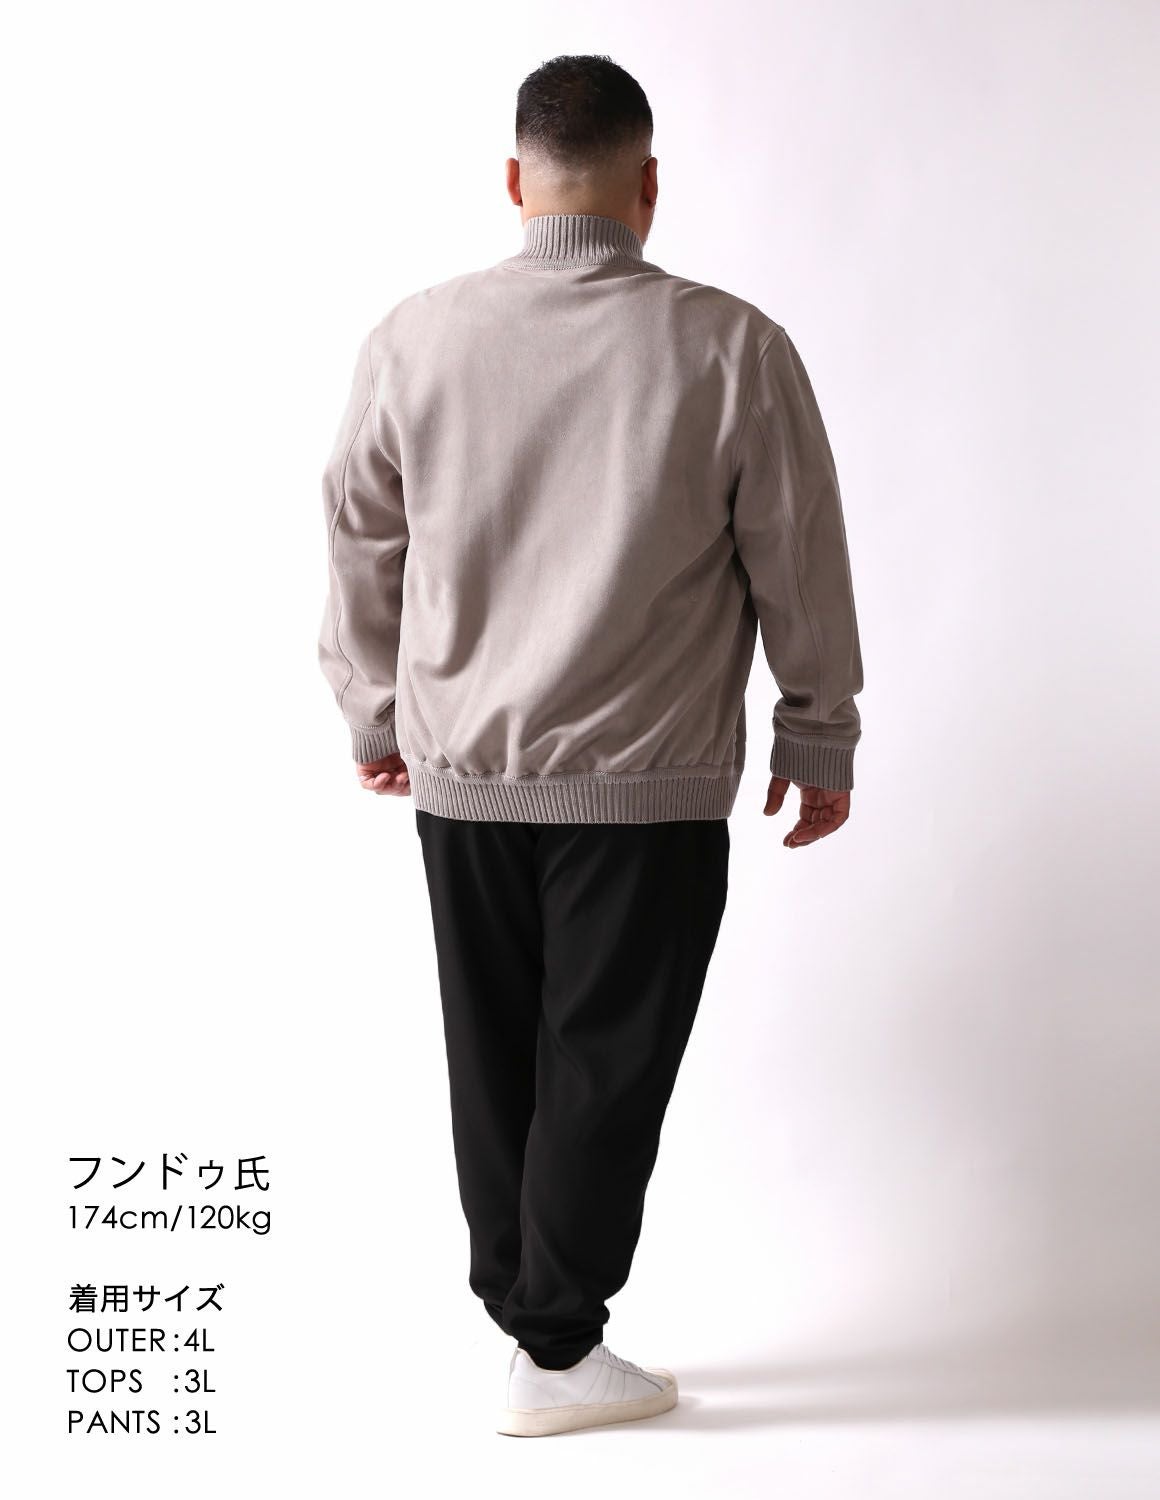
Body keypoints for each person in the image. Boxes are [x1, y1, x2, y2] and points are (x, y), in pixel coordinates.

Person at [317, 53, 864, 1438]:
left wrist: (374, 712)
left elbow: (359, 535)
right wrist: (818, 732)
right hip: (644, 787)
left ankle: (531, 1323)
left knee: (495, 1060)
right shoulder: (731, 347)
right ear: (649, 186)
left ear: (517, 181)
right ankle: (555, 1350)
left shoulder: (414, 339)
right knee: (603, 1069)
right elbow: (798, 557)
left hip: (466, 777)